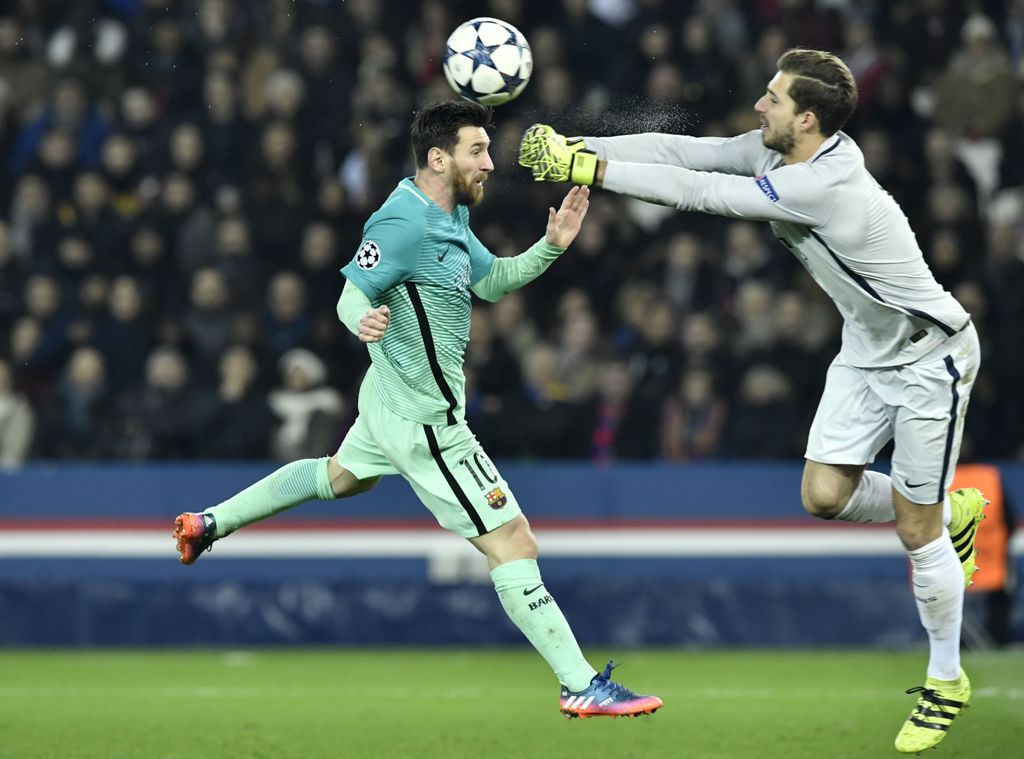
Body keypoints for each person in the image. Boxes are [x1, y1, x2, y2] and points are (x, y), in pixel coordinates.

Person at [519, 48, 985, 753]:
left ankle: (946, 680)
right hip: (866, 351)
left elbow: (701, 194)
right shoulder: (783, 153)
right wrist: (578, 147)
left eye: (773, 98)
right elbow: (684, 149)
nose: (759, 105)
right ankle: (954, 510)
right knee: (824, 496)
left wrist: (591, 171)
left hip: (931, 357)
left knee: (916, 534)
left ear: (806, 118)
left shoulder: (824, 186)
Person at [174, 99, 662, 720]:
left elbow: (490, 281)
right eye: (477, 151)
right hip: (427, 421)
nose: (489, 163)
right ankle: (578, 682)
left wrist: (551, 246)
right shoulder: (402, 221)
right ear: (439, 157)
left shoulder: (451, 214)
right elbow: (351, 295)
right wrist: (364, 320)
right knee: (514, 541)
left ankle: (207, 524)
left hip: (386, 398)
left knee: (336, 477)